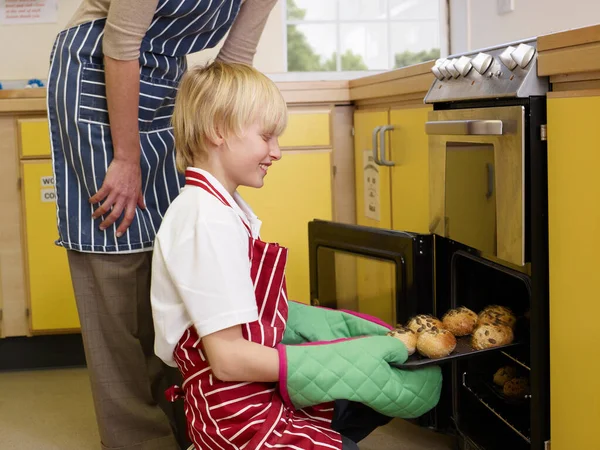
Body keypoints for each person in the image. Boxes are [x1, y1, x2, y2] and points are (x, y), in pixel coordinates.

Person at [150, 61, 443, 450]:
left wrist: (341, 337)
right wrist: (337, 359)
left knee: (371, 392)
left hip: (256, 394)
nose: (277, 152)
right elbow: (227, 360)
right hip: (236, 416)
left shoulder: (223, 208)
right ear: (217, 131)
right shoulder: (205, 219)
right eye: (266, 136)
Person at [46, 1, 277, 449]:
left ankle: (189, 421)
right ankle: (137, 438)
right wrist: (126, 158)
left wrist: (221, 166)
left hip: (171, 81)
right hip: (99, 71)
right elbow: (121, 40)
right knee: (116, 246)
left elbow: (233, 61)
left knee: (177, 250)